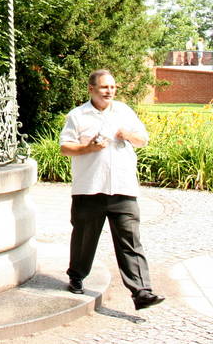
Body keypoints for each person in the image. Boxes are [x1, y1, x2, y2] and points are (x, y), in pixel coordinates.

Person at [59, 69, 165, 311]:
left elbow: (143, 139)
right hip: (89, 189)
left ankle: (142, 292)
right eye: (105, 87)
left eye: (113, 87)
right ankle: (76, 276)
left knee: (130, 241)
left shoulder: (124, 112)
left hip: (123, 188)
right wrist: (87, 148)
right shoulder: (77, 116)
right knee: (84, 239)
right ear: (91, 89)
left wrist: (127, 134)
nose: (110, 91)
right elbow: (65, 147)